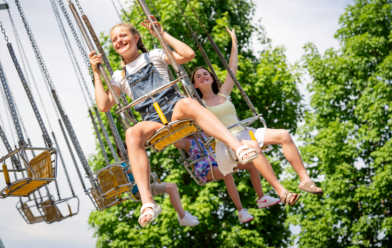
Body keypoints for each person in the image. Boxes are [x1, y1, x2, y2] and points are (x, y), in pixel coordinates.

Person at [89, 17, 296, 227]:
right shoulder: (118, 76)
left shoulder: (154, 55)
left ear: (135, 37)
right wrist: (97, 73)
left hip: (174, 107)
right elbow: (104, 105)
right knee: (132, 133)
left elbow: (188, 55)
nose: (119, 41)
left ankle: (238, 147)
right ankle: (148, 202)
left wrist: (162, 35)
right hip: (151, 119)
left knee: (188, 102)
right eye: (115, 39)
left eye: (123, 35)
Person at [191, 27, 324, 200]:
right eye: (198, 76)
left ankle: (305, 180)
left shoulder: (223, 93)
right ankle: (280, 191)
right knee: (252, 146)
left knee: (283, 135)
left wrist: (234, 43)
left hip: (244, 133)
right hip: (226, 144)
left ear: (211, 77)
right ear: (194, 85)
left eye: (205, 74)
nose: (203, 76)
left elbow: (232, 68)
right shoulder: (198, 105)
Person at [175, 135, 281, 223]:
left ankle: (261, 198)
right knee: (227, 173)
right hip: (205, 167)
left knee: (251, 164)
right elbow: (177, 143)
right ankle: (241, 211)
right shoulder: (186, 141)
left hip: (218, 160)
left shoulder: (203, 133)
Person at [116, 143, 199, 227]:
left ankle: (183, 213)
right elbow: (135, 170)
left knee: (173, 185)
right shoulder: (122, 165)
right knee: (170, 188)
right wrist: (140, 158)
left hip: (145, 187)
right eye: (129, 150)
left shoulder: (129, 162)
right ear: (121, 153)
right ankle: (182, 217)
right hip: (138, 191)